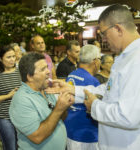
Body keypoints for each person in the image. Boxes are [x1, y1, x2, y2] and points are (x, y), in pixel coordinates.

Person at [45, 4, 140, 150]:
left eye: (103, 33)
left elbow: (128, 117)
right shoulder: (124, 57)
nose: (103, 39)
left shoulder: (136, 60)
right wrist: (72, 89)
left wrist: (94, 106)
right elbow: (108, 89)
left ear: (118, 29)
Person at [9, 52, 74, 150]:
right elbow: (37, 137)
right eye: (43, 69)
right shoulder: (21, 100)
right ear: (30, 77)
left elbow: (60, 118)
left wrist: (64, 105)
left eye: (47, 67)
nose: (49, 71)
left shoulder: (46, 89)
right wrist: (58, 109)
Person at [65, 44, 100, 150]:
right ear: (95, 61)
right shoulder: (93, 82)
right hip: (87, 134)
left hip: (70, 129)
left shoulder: (71, 75)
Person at [0, 45, 21, 150]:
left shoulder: (20, 71)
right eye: (8, 57)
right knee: (10, 147)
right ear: (0, 59)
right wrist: (8, 96)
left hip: (21, 115)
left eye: (13, 56)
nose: (12, 59)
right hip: (3, 117)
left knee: (22, 146)